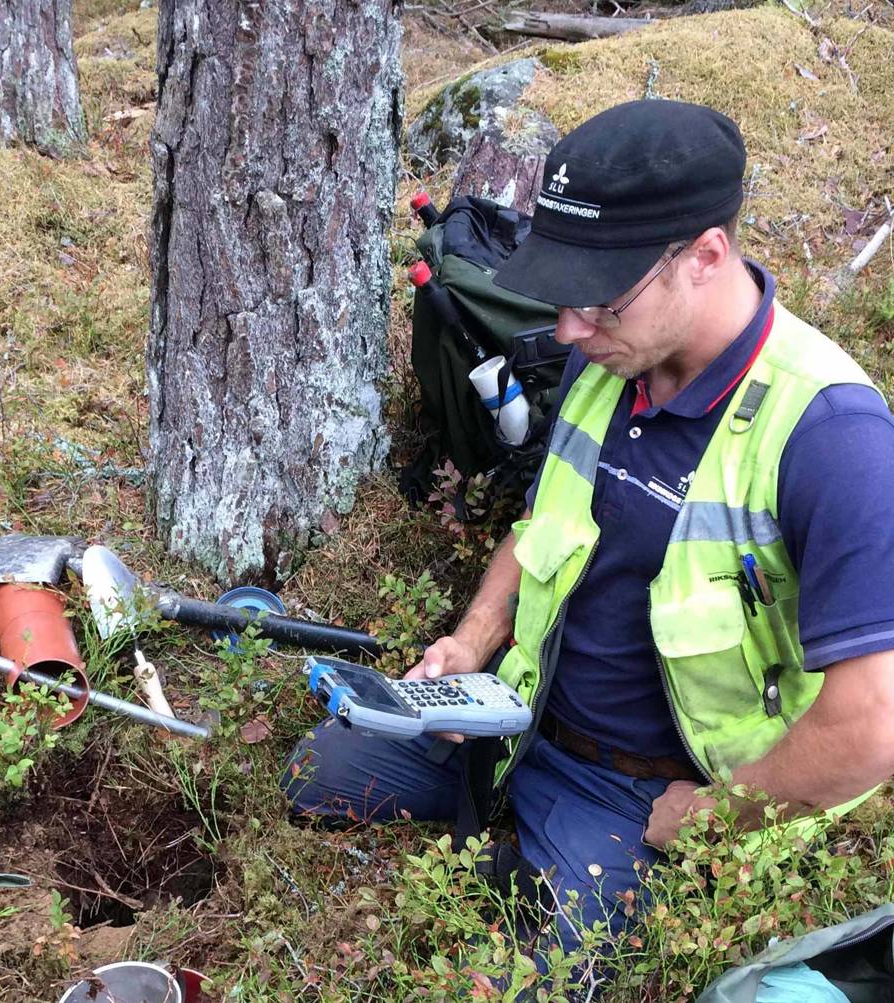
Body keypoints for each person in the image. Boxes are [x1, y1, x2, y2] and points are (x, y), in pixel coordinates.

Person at [282, 100, 894, 952]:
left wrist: (713, 818)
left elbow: (871, 727)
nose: (569, 330)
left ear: (706, 257)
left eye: (600, 300)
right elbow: (544, 516)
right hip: (513, 716)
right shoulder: (608, 357)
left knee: (545, 975)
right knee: (314, 776)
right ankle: (511, 842)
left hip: (644, 796)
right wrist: (470, 642)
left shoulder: (834, 436)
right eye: (562, 296)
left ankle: (544, 869)